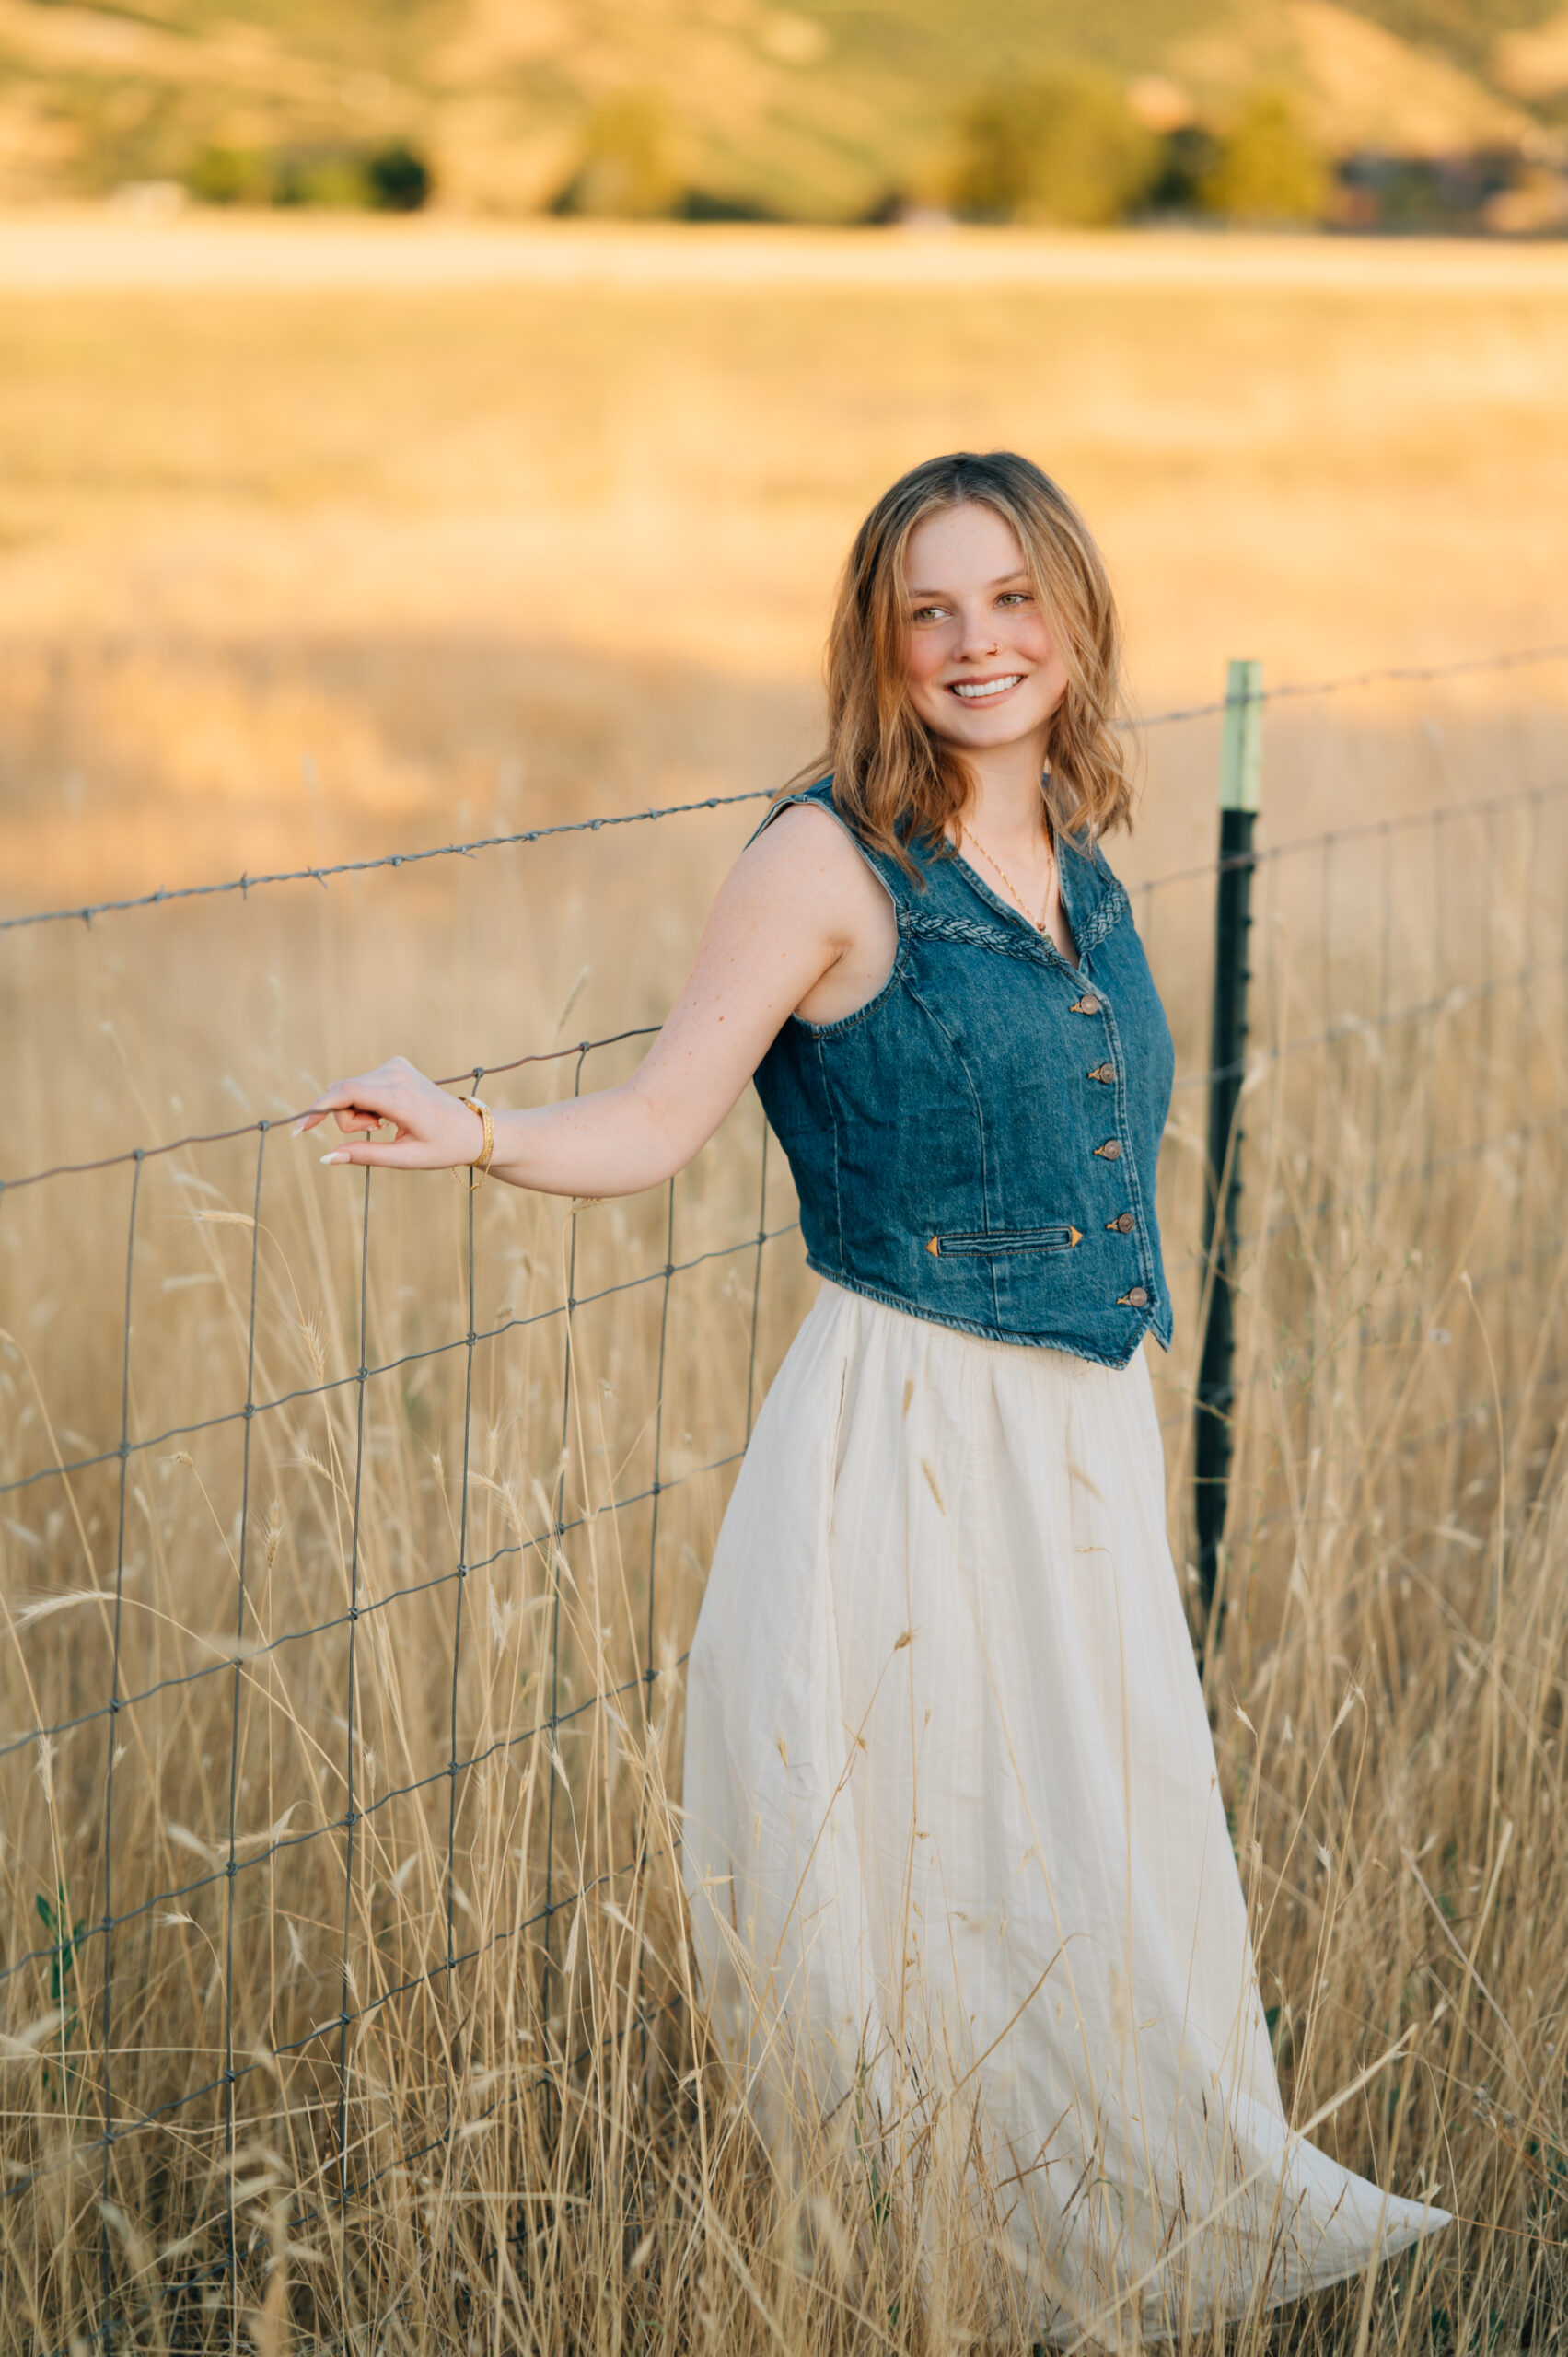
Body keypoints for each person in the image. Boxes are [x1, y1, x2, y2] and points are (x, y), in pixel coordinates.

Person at [296, 451, 1450, 2345]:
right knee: (939, 1868)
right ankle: (943, 2276)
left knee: (1093, 1838)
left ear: (1073, 620)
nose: (976, 643)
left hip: (1076, 1439)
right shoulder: (823, 859)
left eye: (1011, 601)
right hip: (913, 1436)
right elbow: (664, 1118)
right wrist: (484, 1129)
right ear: (881, 643)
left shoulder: (1075, 852)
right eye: (932, 610)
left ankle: (1119, 2238)